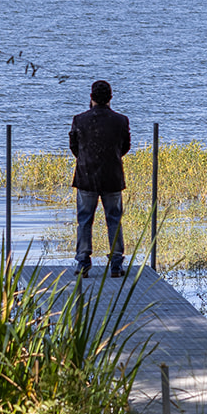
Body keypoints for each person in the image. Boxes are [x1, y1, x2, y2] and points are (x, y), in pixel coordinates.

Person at [68, 79, 131, 276]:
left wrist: (85, 159)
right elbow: (125, 146)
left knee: (85, 220)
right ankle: (116, 263)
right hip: (112, 177)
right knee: (114, 219)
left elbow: (74, 146)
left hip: (86, 177)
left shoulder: (79, 120)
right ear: (110, 98)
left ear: (91, 97)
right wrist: (112, 159)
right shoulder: (121, 120)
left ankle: (83, 262)